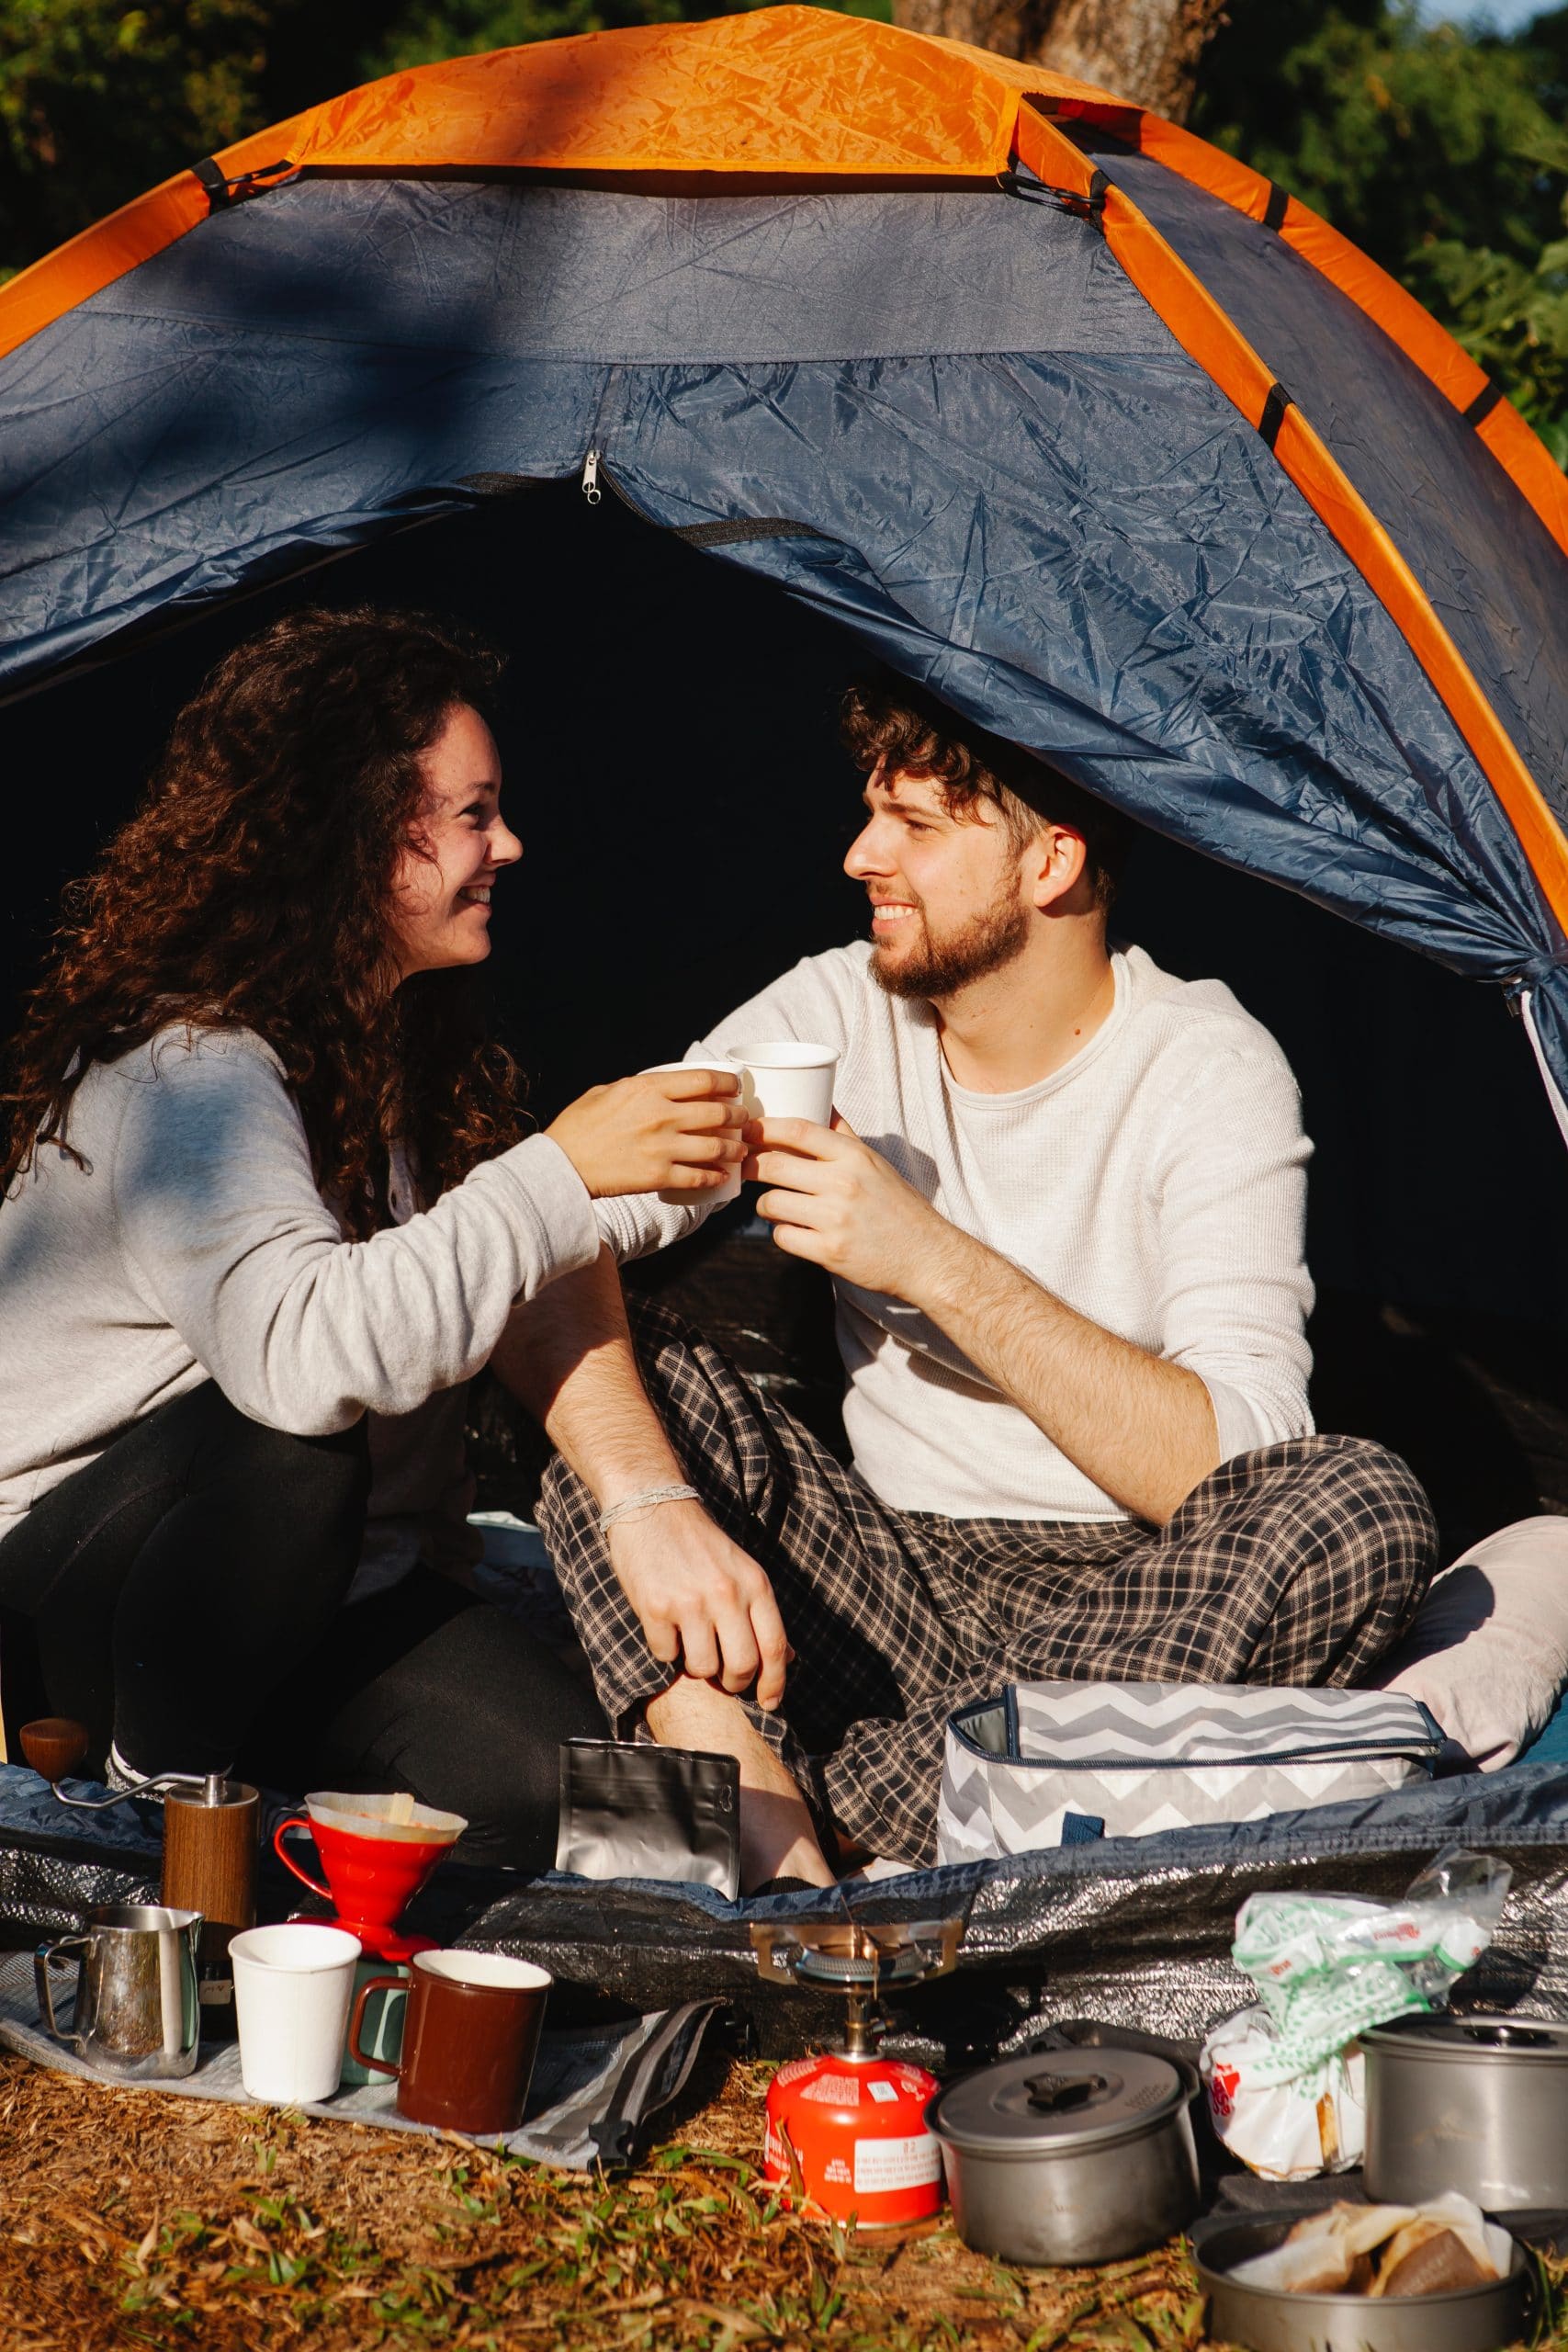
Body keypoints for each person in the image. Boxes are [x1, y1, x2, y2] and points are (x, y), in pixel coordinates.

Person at [502, 679, 1438, 1888]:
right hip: (880, 1583)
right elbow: (559, 1226)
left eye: (917, 827)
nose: (861, 856)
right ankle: (824, 1858)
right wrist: (648, 1504)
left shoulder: (1205, 1068)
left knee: (1358, 1505)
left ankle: (814, 1801)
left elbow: (1240, 1460)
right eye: (869, 815)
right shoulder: (831, 1016)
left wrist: (928, 1258)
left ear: (1051, 863)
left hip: (1136, 1603)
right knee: (628, 1389)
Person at [0, 605, 744, 1866]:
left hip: (311, 1610)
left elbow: (486, 1249)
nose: (509, 843)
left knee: (612, 1822)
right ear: (354, 834)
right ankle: (150, 1820)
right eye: (473, 813)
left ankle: (265, 1797)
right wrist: (562, 1170)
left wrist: (707, 1158)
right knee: (298, 1446)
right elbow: (304, 1357)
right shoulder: (191, 1072)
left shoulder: (376, 1051)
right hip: (89, 1605)